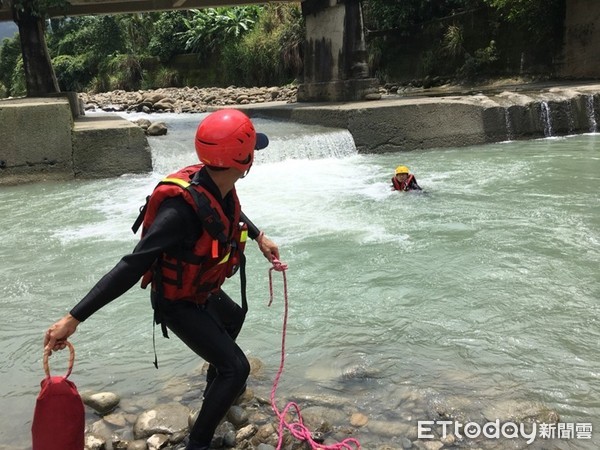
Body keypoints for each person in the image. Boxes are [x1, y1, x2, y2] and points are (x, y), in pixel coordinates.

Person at [44, 109, 280, 450]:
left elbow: (228, 211)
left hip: (201, 289)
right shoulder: (179, 214)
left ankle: (216, 386)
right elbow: (132, 264)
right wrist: (73, 318)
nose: (254, 155)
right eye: (251, 151)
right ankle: (198, 443)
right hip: (177, 303)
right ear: (243, 162)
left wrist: (259, 237)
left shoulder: (214, 181)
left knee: (234, 317)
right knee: (238, 368)